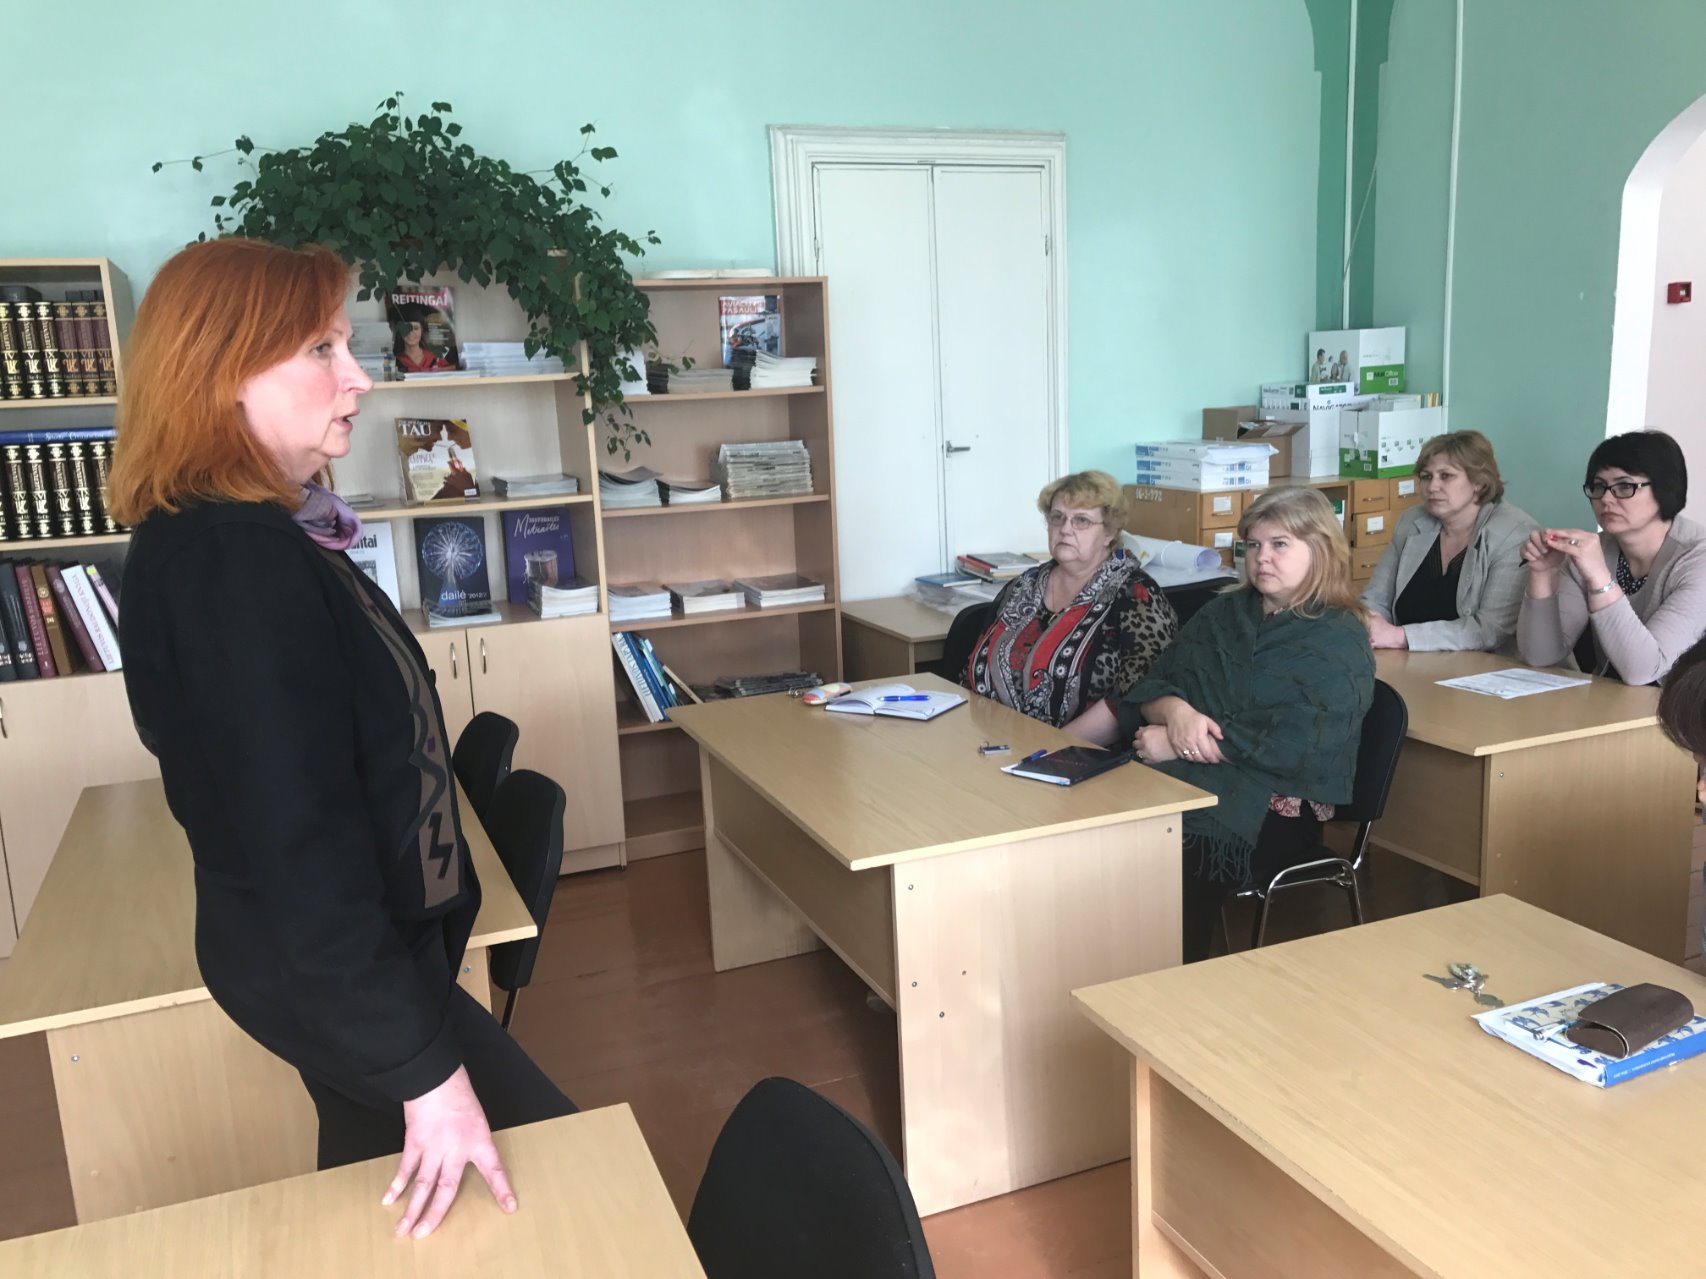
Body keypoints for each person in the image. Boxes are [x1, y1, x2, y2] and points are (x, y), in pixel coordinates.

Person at [109, 239, 573, 1241]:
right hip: (342, 974)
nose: (358, 375)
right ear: (221, 373)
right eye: (321, 349)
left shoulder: (252, 535)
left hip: (352, 968)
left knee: (402, 1192)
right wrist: (425, 1070)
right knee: (558, 1189)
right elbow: (297, 844)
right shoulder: (232, 561)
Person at [1115, 486, 1374, 963]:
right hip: (1191, 776)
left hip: (1278, 807)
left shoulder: (1340, 639)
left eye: (1280, 544)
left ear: (1320, 550)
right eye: (1253, 544)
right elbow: (1157, 683)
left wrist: (1179, 744)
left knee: (1172, 854)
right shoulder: (1224, 612)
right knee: (1101, 830)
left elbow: (1299, 743)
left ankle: (1172, 982)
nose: (1262, 557)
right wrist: (1175, 713)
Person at [963, 470, 1177, 745]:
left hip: (1078, 754)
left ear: (1109, 533)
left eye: (1081, 520)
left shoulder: (1136, 595)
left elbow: (1132, 699)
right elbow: (972, 667)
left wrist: (1048, 749)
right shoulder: (1024, 585)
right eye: (1057, 517)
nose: (1065, 529)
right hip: (991, 743)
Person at [1518, 429, 1706, 684]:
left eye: (1624, 486)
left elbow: (1643, 671)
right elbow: (1540, 655)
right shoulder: (1594, 550)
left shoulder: (1698, 560)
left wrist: (1599, 578)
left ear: (1664, 488)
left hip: (1682, 705)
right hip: (1614, 699)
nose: (1606, 498)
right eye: (1599, 486)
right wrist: (1542, 574)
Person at [1363, 430, 1537, 652]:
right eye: (1426, 476)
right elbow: (1375, 598)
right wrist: (1371, 623)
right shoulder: (1411, 521)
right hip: (1409, 662)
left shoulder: (1513, 533)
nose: (1432, 487)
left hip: (1489, 666)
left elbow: (1490, 630)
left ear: (1479, 482)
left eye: (1446, 476)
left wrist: (1401, 636)